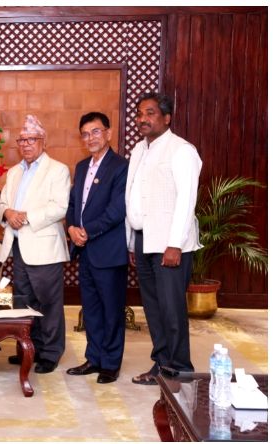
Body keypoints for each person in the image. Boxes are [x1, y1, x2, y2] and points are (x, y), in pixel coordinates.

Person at [126, 93, 202, 385]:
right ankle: (162, 364)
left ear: (167, 118)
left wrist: (175, 244)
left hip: (170, 244)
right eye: (139, 113)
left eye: (150, 113)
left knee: (171, 310)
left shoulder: (181, 150)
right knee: (154, 309)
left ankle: (180, 370)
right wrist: (132, 242)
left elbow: (186, 200)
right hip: (143, 240)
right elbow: (133, 196)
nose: (142, 119)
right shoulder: (138, 150)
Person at [0, 115, 70, 374]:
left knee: (48, 303)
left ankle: (50, 353)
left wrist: (24, 217)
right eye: (22, 140)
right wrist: (8, 213)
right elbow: (2, 204)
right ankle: (31, 349)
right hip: (18, 247)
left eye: (32, 140)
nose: (26, 144)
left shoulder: (58, 170)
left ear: (43, 142)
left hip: (44, 248)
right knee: (25, 302)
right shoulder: (14, 172)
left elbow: (60, 207)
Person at [65, 112, 128, 384]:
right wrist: (71, 227)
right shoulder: (81, 167)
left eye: (96, 131)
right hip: (85, 250)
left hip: (108, 250)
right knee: (90, 309)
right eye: (85, 134)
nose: (90, 138)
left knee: (111, 310)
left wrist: (87, 231)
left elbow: (117, 209)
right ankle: (94, 358)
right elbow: (73, 204)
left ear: (108, 133)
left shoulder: (120, 166)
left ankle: (110, 364)